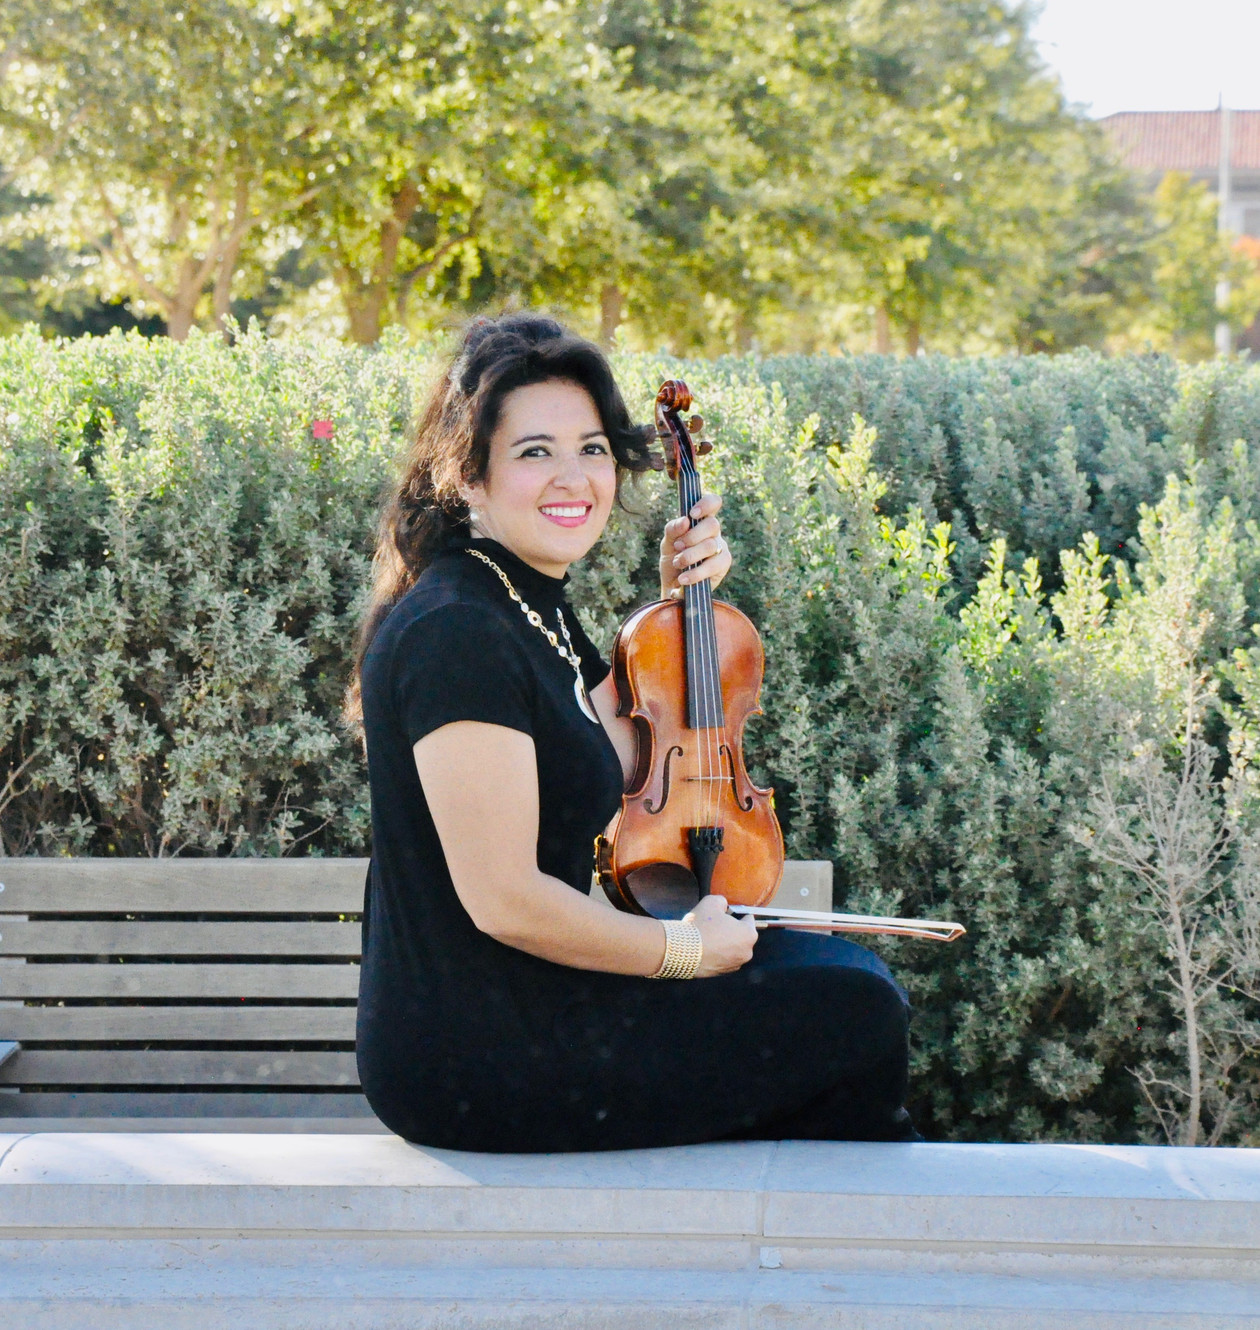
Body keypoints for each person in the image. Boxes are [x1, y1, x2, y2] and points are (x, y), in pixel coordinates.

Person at [348, 312, 919, 1151]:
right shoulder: (455, 632)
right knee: (853, 1014)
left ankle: (772, 1250)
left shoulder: (522, 602)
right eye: (534, 451)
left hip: (537, 1005)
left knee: (844, 975)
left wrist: (670, 611)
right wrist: (679, 950)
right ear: (467, 476)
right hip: (481, 1050)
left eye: (591, 448)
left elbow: (614, 749)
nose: (573, 477)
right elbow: (504, 899)